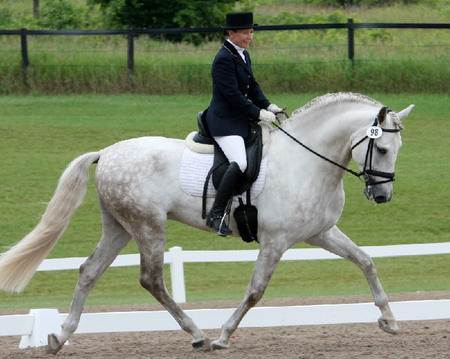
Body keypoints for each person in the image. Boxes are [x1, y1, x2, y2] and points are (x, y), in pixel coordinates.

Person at [205, 12, 283, 236]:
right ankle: (216, 214)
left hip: (240, 119)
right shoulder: (223, 59)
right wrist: (257, 113)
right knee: (239, 162)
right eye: (246, 32)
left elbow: (252, 87)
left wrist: (269, 106)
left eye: (251, 32)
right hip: (224, 122)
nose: (250, 36)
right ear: (231, 33)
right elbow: (233, 96)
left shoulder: (243, 54)